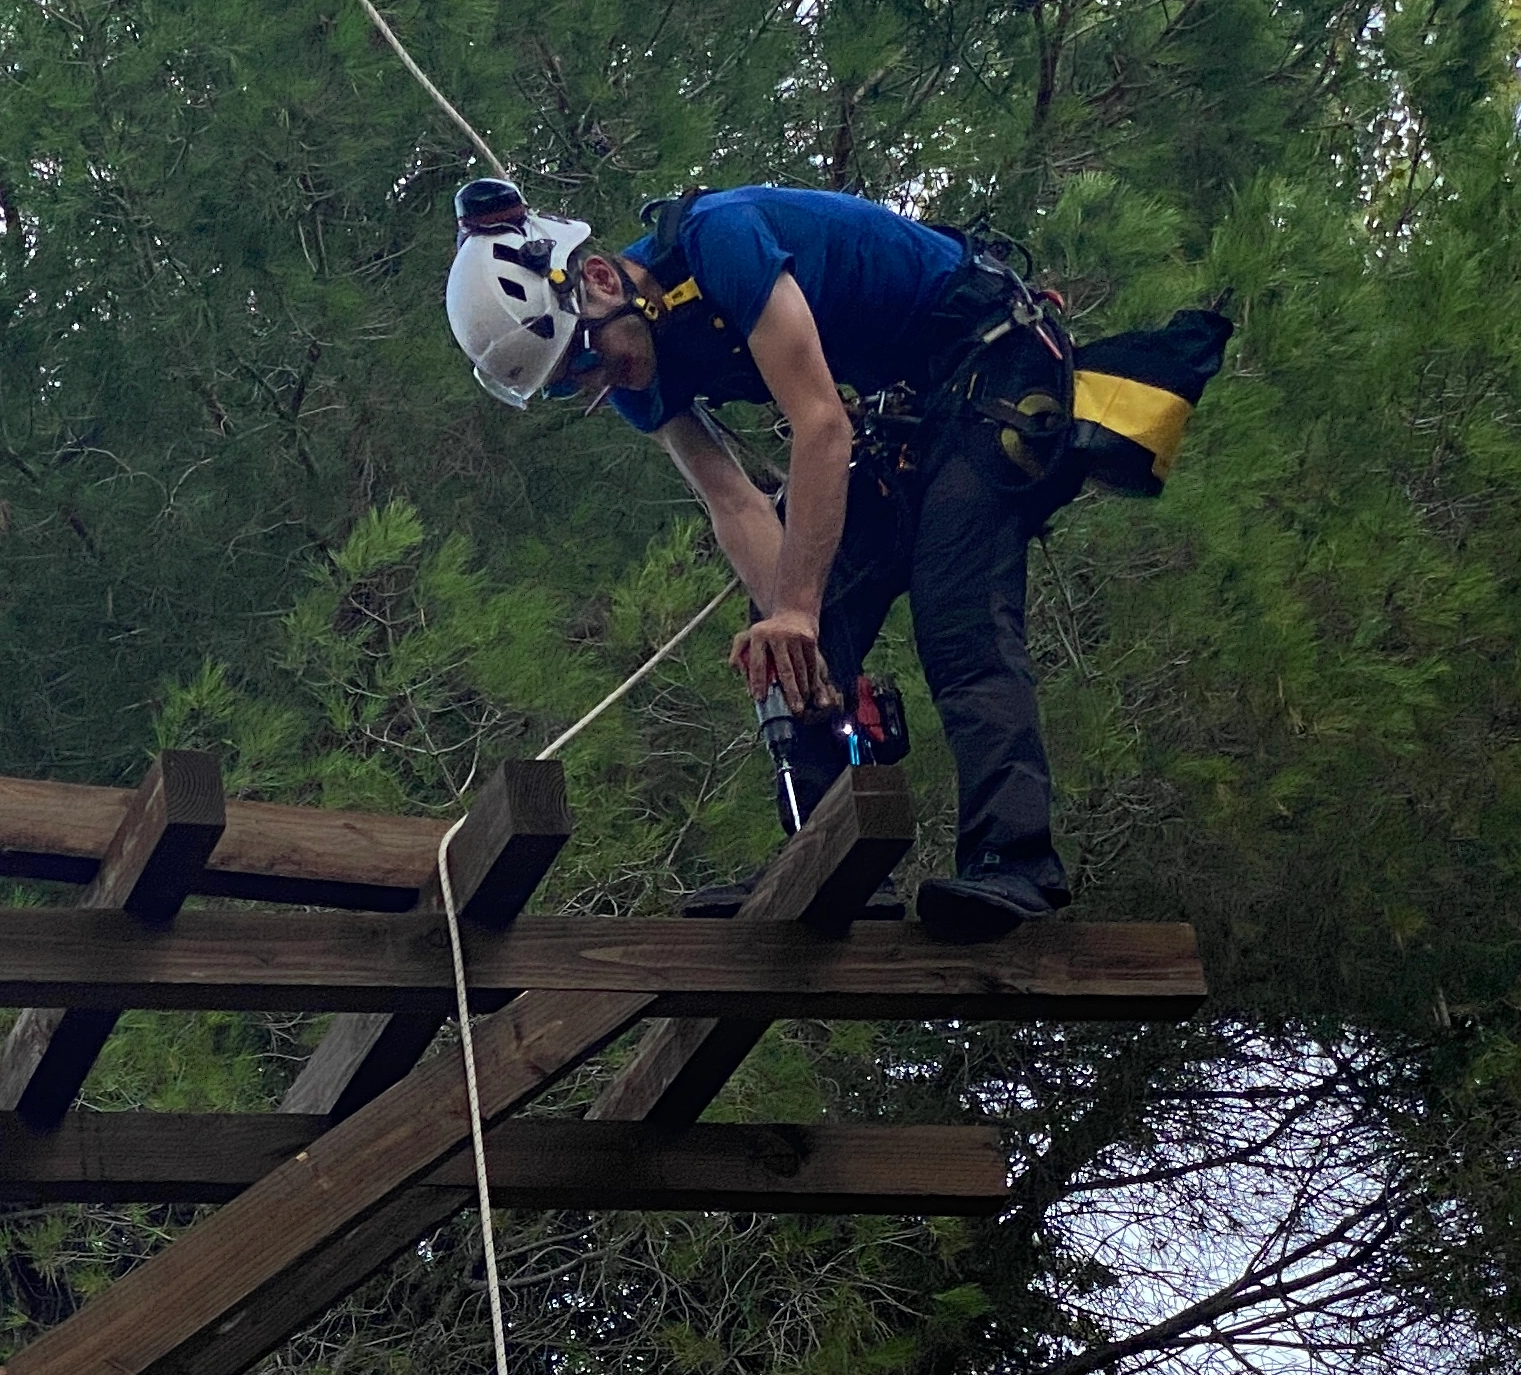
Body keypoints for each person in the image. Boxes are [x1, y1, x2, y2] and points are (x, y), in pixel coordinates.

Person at [444, 175, 1074, 941]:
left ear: (601, 280)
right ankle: (828, 856)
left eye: (586, 354)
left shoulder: (723, 240)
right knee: (777, 626)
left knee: (957, 611)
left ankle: (1013, 859)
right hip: (914, 408)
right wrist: (807, 640)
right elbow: (735, 503)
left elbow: (820, 427)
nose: (594, 382)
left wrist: (805, 611)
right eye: (567, 384)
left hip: (998, 360)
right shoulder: (635, 369)